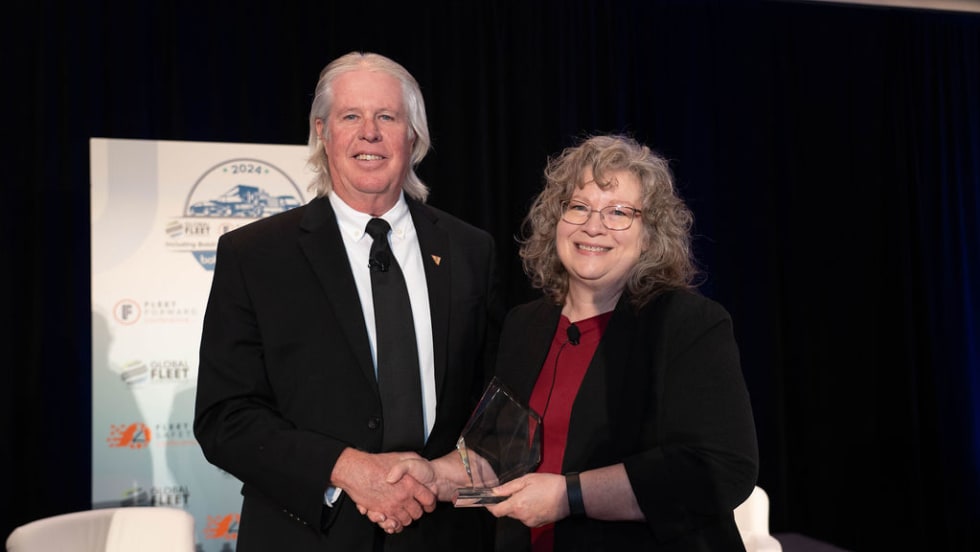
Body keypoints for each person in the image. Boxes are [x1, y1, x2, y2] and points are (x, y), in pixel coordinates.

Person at [382, 134, 759, 550]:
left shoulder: (687, 324)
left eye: (619, 212)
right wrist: (435, 478)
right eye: (578, 207)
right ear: (555, 220)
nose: (593, 226)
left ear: (650, 234)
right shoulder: (526, 325)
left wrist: (569, 496)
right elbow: (498, 455)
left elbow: (722, 468)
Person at [193, 51, 502, 551]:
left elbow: (496, 403)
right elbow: (224, 417)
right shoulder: (255, 255)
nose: (370, 133)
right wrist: (349, 469)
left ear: (414, 136)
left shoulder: (471, 251)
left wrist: (442, 478)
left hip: (444, 532)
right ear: (322, 131)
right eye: (351, 117)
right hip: (307, 535)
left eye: (387, 117)